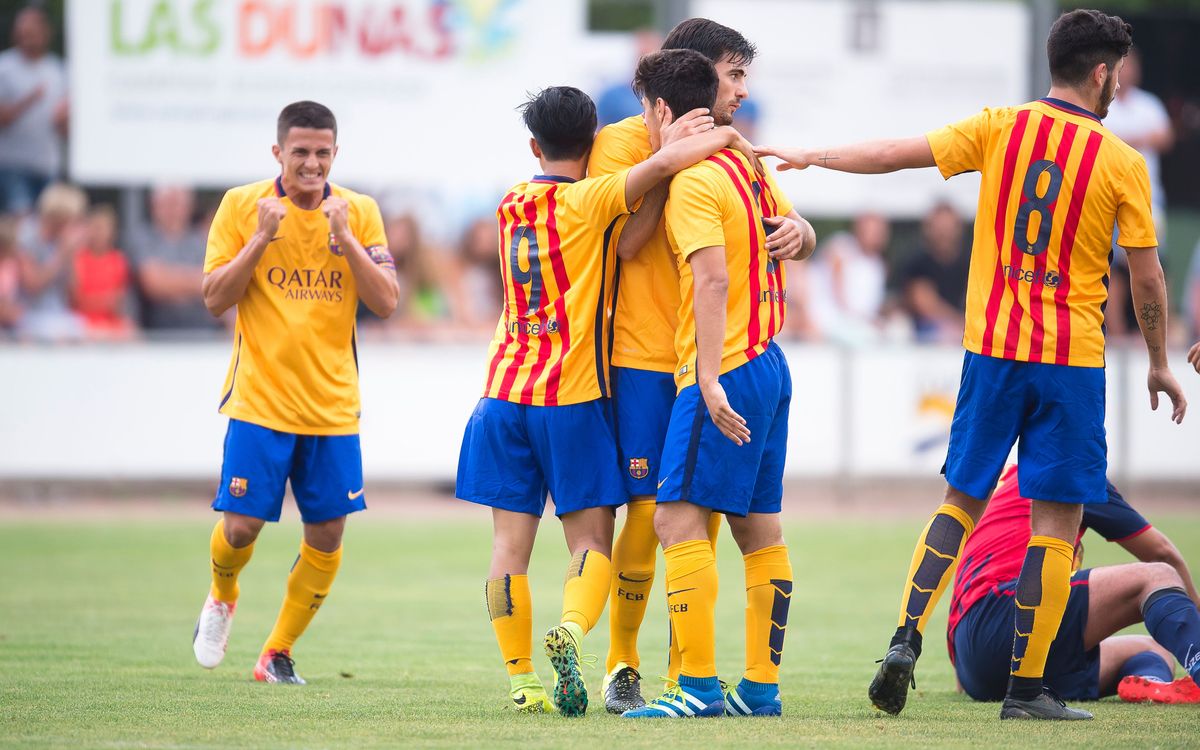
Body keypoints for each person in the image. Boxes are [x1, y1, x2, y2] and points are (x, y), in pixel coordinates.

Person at [756, 8, 1189, 720]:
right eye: (1116, 76)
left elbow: (895, 152)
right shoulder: (1121, 162)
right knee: (1057, 522)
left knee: (960, 500)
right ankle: (1026, 691)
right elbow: (1146, 278)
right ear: (1103, 74)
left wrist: (813, 157)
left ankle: (905, 636)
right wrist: (1158, 360)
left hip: (992, 351)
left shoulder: (1001, 126)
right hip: (1069, 362)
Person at [455, 77, 755, 717]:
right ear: (592, 143)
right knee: (591, 543)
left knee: (507, 549)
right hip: (569, 397)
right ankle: (571, 629)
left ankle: (522, 681)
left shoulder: (509, 206)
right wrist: (718, 134)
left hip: (501, 393)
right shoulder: (589, 200)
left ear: (533, 147)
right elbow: (664, 166)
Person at [589, 17, 815, 714]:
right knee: (656, 516)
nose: (742, 91)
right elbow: (622, 245)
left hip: (711, 360)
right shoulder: (624, 143)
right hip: (646, 358)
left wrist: (801, 232)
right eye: (733, 74)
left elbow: (780, 231)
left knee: (690, 520)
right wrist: (667, 159)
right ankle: (627, 664)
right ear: (694, 74)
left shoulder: (733, 156)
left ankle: (691, 681)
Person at [190, 101, 399, 685]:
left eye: (322, 152)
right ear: (278, 152)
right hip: (260, 400)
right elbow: (214, 298)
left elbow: (386, 301)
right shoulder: (242, 206)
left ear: (336, 153)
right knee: (240, 529)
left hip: (332, 407)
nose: (312, 163)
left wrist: (345, 238)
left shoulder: (358, 211)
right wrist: (261, 238)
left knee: (328, 534)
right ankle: (222, 595)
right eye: (300, 151)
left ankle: (275, 653)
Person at [950, 464, 1200, 704]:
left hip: (973, 670)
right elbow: (1161, 552)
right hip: (1006, 617)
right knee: (1158, 576)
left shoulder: (1003, 487)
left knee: (1153, 650)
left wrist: (967, 672)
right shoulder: (1070, 467)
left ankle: (1151, 682)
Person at [0, 5, 67, 214]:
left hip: (47, 165)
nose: (26, 39)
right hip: (12, 164)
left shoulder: (57, 70)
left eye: (31, 33)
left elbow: (64, 128)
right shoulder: (4, 68)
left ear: (45, 33)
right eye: (23, 33)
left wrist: (64, 119)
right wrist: (30, 99)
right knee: (22, 223)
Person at [127, 185, 221, 332]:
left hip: (202, 332)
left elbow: (216, 284)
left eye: (177, 204)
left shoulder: (201, 240)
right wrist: (196, 281)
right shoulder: (142, 238)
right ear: (153, 205)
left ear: (189, 206)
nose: (172, 210)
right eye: (167, 203)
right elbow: (153, 283)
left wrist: (170, 277)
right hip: (154, 333)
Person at [16, 181, 86, 342]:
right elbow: (32, 284)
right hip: (30, 314)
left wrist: (71, 256)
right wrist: (61, 254)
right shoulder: (27, 236)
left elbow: (74, 292)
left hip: (59, 314)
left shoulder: (63, 240)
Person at [807, 212, 890, 343]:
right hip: (829, 319)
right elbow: (838, 292)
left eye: (876, 231)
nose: (871, 235)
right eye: (868, 229)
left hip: (853, 323)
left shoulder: (877, 265)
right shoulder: (843, 245)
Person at [896, 202, 970, 343]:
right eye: (940, 228)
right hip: (924, 333)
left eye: (948, 228)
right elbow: (924, 303)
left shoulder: (970, 262)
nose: (944, 234)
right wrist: (959, 323)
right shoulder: (917, 263)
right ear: (928, 229)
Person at [71, 204, 135, 339]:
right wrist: (105, 301)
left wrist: (103, 302)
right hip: (83, 322)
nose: (99, 233)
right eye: (95, 227)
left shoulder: (118, 260)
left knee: (132, 333)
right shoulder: (78, 259)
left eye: (103, 228)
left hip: (111, 322)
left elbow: (118, 301)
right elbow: (77, 300)